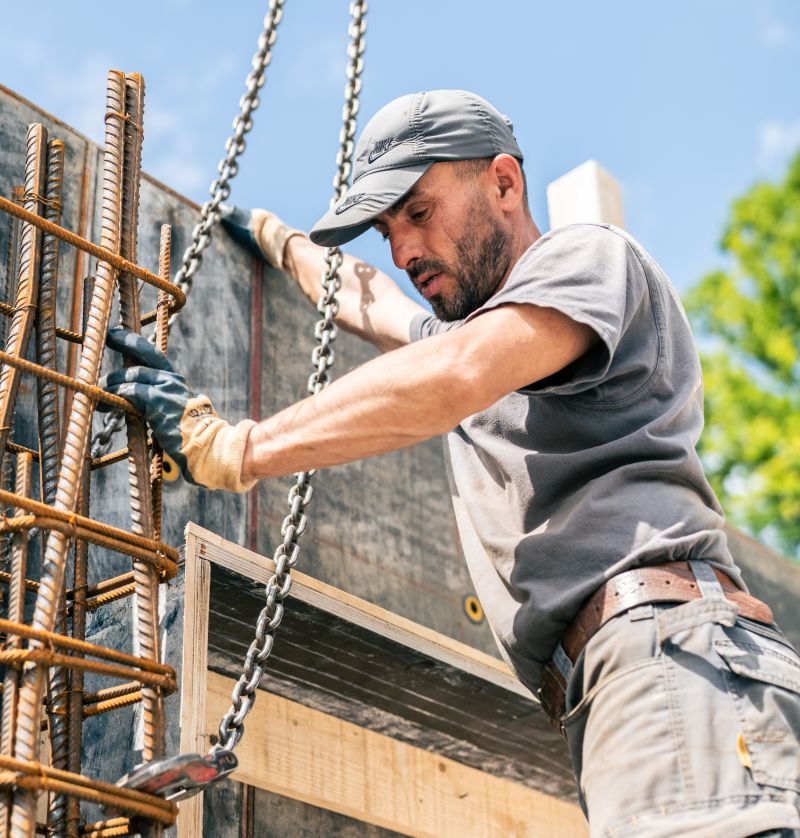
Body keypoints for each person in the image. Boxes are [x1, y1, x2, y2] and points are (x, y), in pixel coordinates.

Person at [102, 90, 800, 836]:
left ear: (504, 183)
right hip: (630, 677)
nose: (402, 251)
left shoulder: (587, 259)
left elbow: (453, 373)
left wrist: (234, 449)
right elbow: (377, 306)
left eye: (420, 212)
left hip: (671, 654)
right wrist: (286, 244)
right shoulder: (489, 334)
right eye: (386, 230)